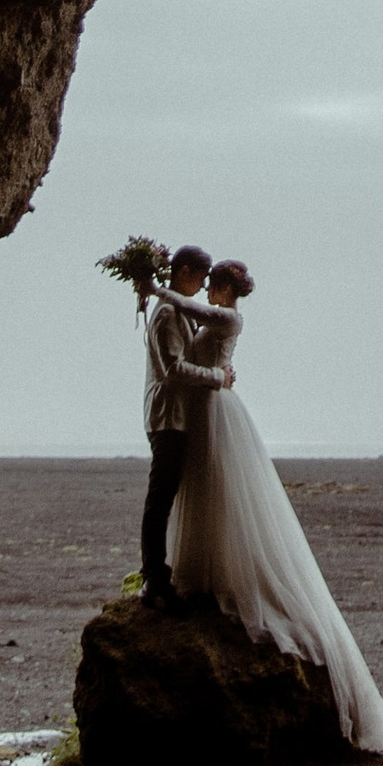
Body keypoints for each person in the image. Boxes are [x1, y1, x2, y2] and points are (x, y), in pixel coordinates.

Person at [169, 259, 383, 753]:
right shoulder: (210, 317)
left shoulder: (228, 318)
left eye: (215, 283)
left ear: (229, 287)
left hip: (217, 408)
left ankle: (224, 574)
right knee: (206, 487)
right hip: (207, 404)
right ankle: (205, 571)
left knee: (225, 487)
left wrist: (154, 288)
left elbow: (188, 308)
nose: (208, 289)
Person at [139, 243, 234, 607]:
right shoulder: (166, 314)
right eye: (201, 276)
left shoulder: (177, 310)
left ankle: (162, 573)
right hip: (168, 415)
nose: (204, 284)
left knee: (167, 496)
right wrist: (216, 376)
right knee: (160, 498)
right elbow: (173, 368)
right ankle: (154, 579)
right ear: (184, 273)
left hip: (179, 415)